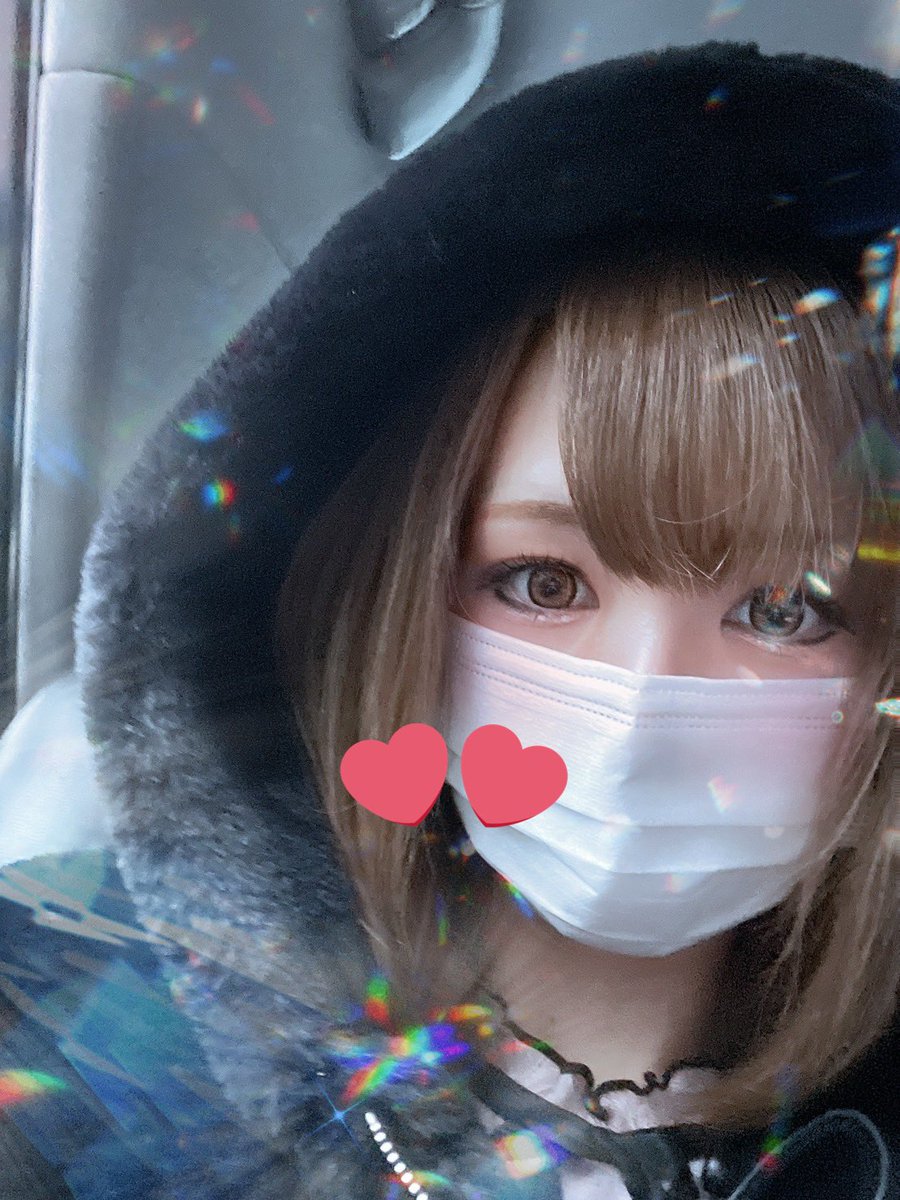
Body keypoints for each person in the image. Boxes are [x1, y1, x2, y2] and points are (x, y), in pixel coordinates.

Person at [0, 38, 896, 1200]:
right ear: (400, 598)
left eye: (781, 609)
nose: (644, 708)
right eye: (544, 583)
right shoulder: (71, 1039)